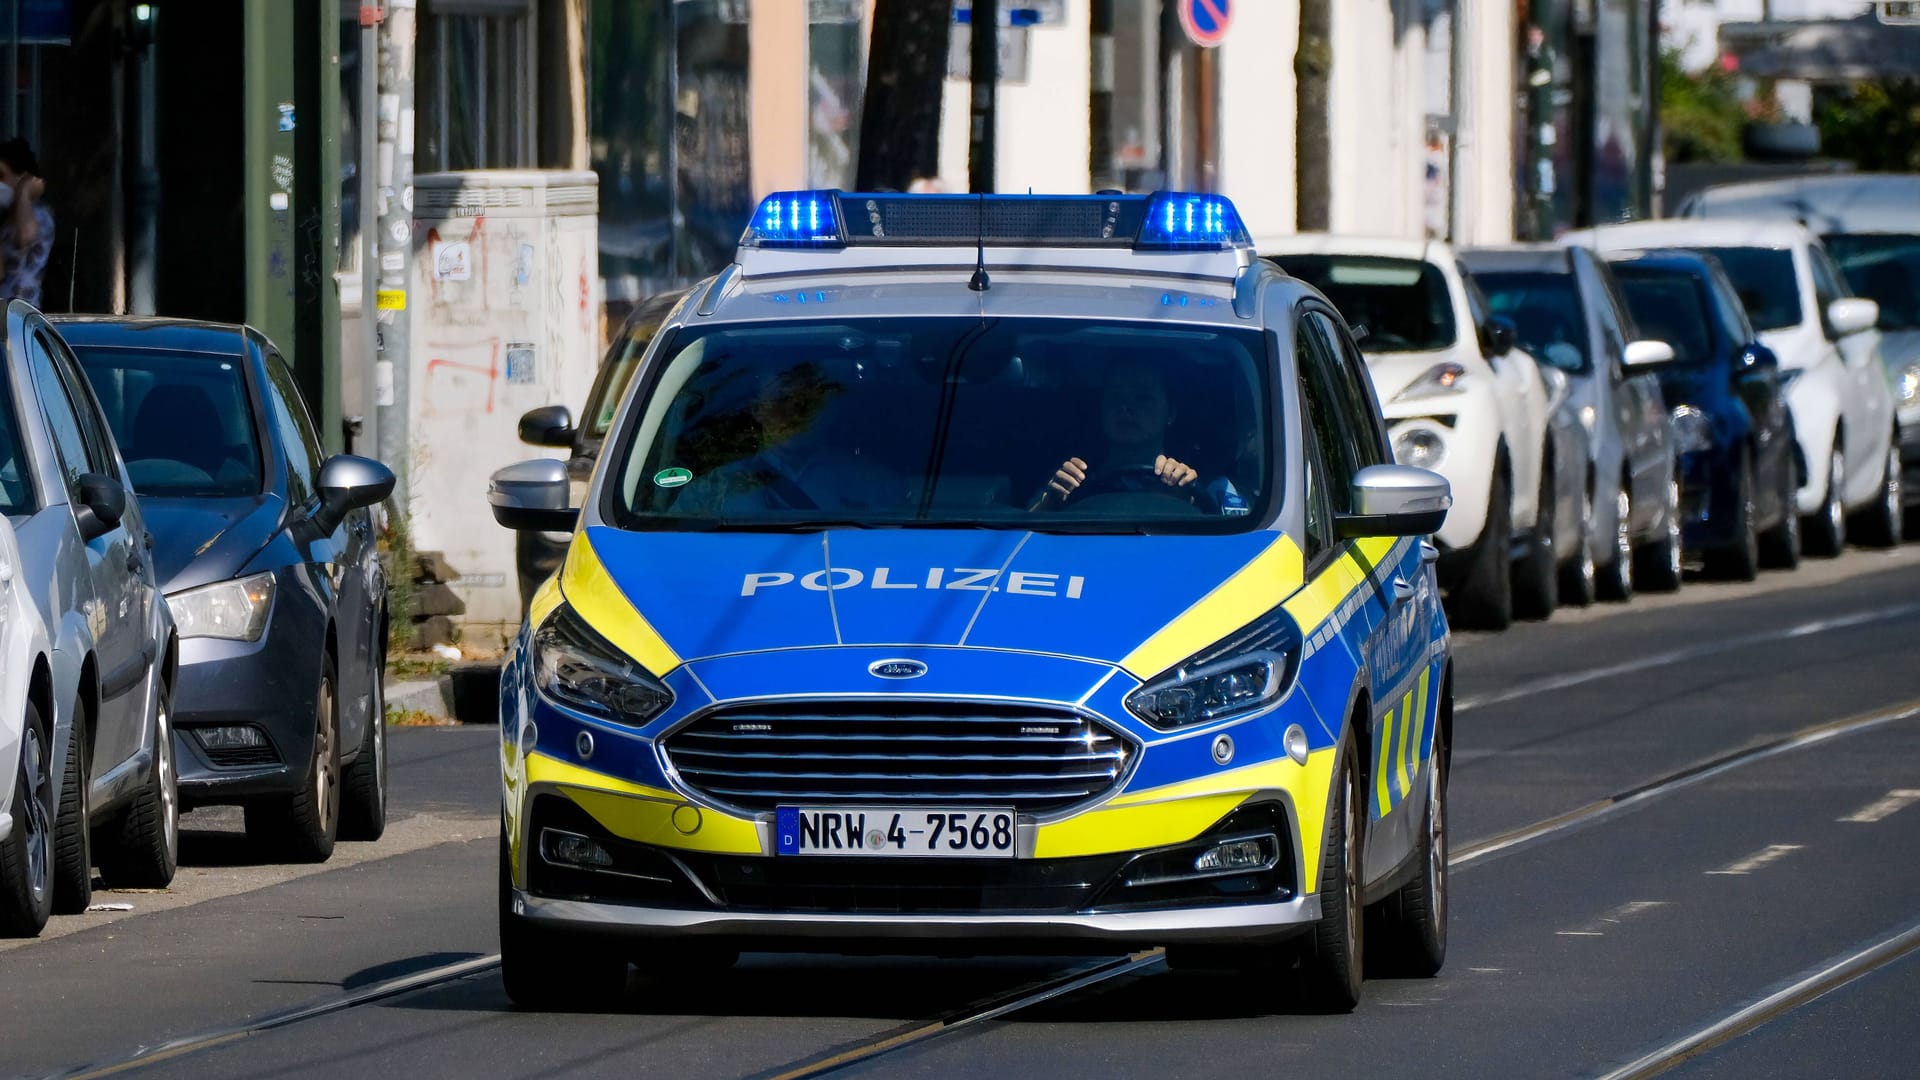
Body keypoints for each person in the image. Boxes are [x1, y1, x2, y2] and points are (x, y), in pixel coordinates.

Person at [1030, 358, 1246, 516]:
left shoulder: (1208, 487)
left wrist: (1190, 500)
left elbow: (1241, 548)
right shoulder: (1070, 479)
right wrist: (1051, 502)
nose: (1125, 408)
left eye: (1142, 398)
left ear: (1170, 413)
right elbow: (1021, 539)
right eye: (1115, 396)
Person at [0, 138, 51, 306]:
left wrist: (23, 191)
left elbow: (25, 237)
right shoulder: (6, 218)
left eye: (2, 176)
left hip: (20, 314)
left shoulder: (39, 214)